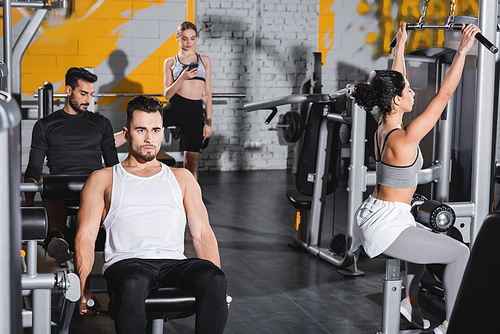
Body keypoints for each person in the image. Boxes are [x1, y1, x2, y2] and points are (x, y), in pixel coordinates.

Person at [352, 23, 480, 334]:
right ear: (396, 101)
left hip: (378, 213)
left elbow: (396, 81)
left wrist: (401, 45)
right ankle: (452, 325)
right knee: (460, 253)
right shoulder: (405, 138)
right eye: (408, 91)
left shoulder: (383, 124)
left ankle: (411, 300)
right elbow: (445, 94)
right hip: (387, 225)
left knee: (421, 229)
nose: (413, 91)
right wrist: (463, 50)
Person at [75, 95, 227, 334]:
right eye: (141, 130)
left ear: (163, 131)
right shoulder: (103, 179)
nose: (149, 138)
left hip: (173, 264)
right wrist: (82, 289)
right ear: (126, 134)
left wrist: (220, 287)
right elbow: (85, 236)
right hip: (127, 265)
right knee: (133, 282)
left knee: (214, 278)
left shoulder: (182, 178)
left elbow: (202, 233)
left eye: (155, 130)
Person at [24, 67, 118, 264]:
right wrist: (29, 205)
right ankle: (57, 239)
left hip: (93, 185)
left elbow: (113, 166)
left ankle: (101, 239)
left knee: (100, 188)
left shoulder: (101, 123)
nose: (88, 100)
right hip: (60, 186)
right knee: (50, 188)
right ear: (68, 90)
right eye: (83, 93)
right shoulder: (45, 125)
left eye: (91, 94)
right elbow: (34, 168)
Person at [163, 21, 212, 180]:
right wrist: (182, 77)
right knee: (148, 123)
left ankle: (191, 202)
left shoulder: (204, 60)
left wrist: (209, 122)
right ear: (178, 38)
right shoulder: (170, 62)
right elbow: (167, 94)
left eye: (192, 38)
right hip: (175, 107)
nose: (189, 43)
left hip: (195, 113)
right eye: (185, 39)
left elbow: (208, 93)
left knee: (190, 165)